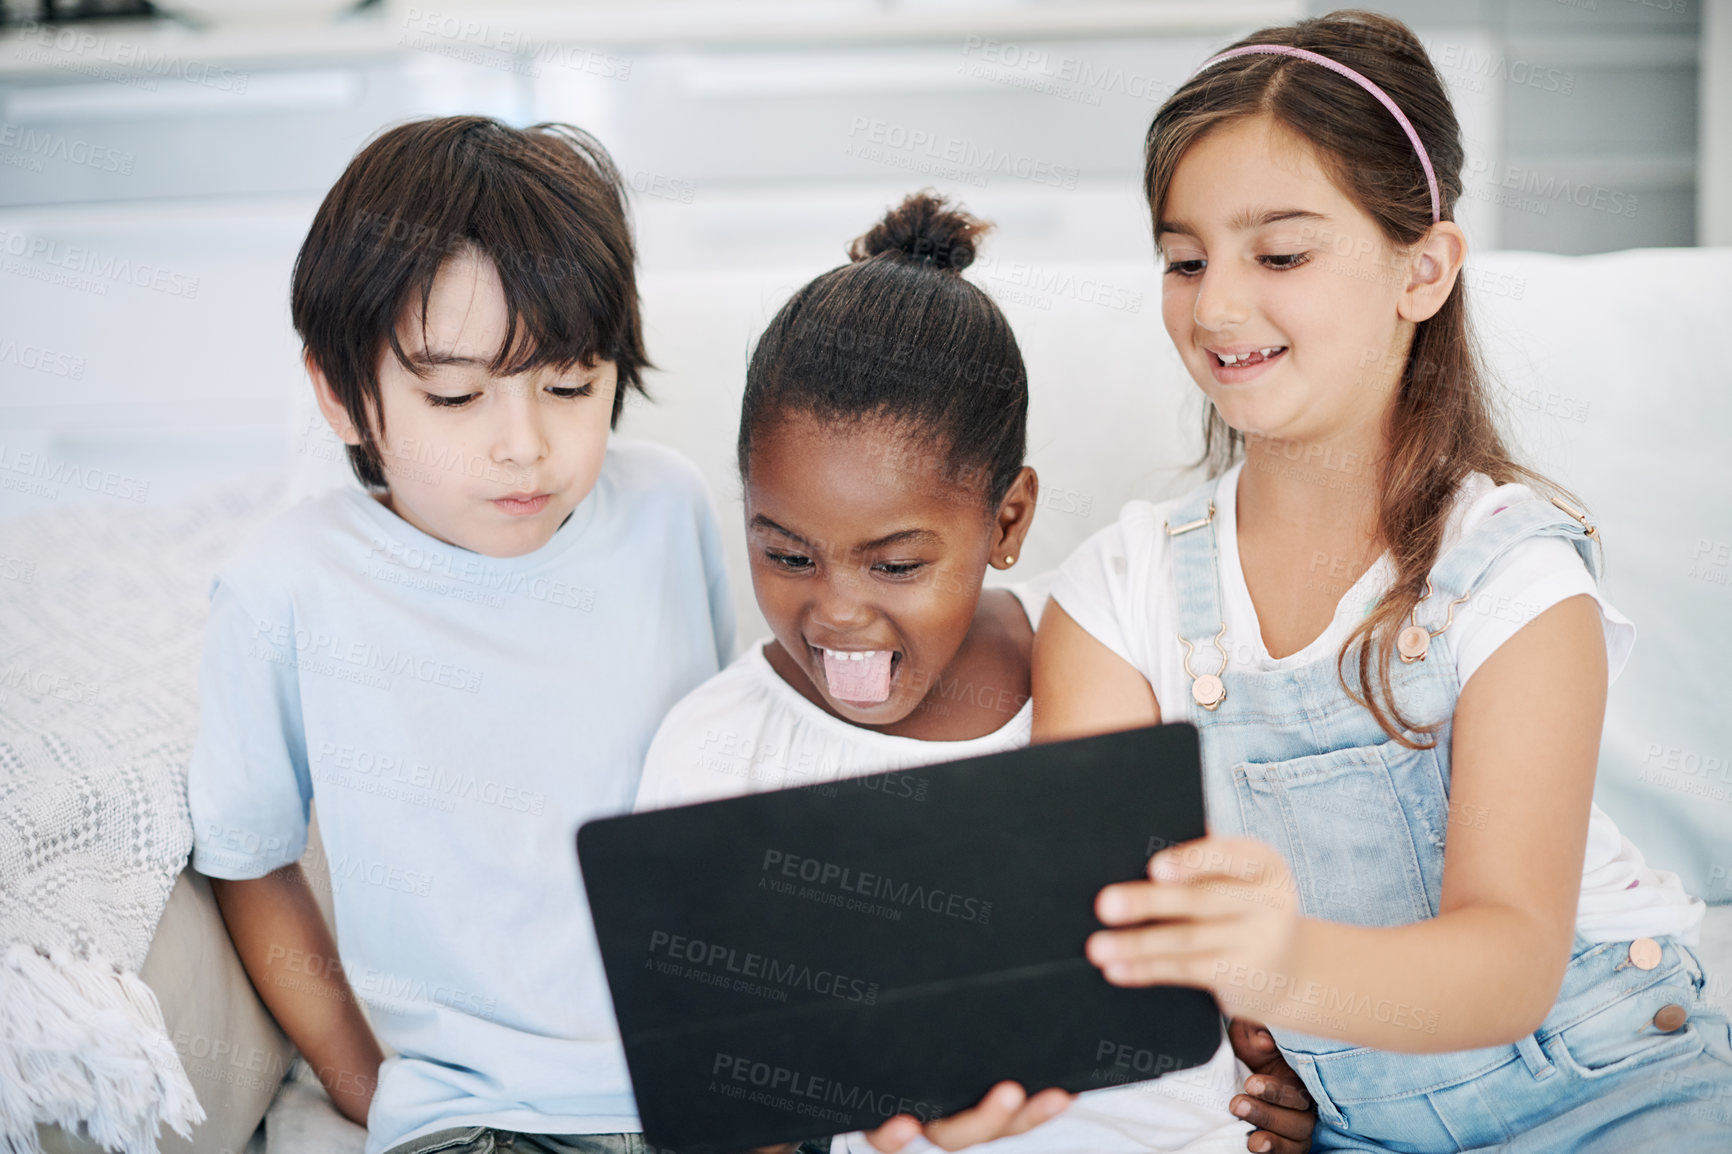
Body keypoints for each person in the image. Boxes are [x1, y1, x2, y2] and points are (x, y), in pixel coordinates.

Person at [1033, 10, 1732, 1151]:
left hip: (1612, 1086)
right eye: (1183, 258)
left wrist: (1285, 967)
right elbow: (1094, 945)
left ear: (1423, 268)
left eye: (1282, 252)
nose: (1214, 305)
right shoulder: (1117, 594)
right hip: (1357, 1129)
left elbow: (1507, 960)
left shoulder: (1514, 580)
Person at [639, 191, 1316, 1154]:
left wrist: (1282, 1065)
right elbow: (718, 1108)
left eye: (897, 565)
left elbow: (1235, 942)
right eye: (786, 554)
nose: (835, 612)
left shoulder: (1118, 644)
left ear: (1007, 522)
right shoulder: (714, 753)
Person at [187, 116, 734, 1154]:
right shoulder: (285, 588)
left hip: (710, 1076)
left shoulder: (669, 505)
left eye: (570, 383)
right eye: (454, 394)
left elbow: (721, 781)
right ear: (341, 394)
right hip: (476, 1116)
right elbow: (249, 859)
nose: (524, 444)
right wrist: (365, 1079)